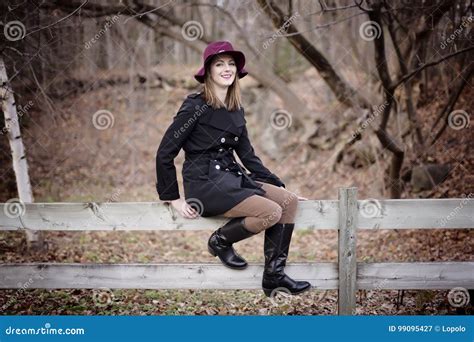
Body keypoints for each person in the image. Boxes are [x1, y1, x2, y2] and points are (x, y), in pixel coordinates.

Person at [155, 41, 311, 297]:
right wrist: (172, 197)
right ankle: (220, 240)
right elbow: (165, 152)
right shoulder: (194, 107)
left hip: (231, 177)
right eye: (219, 64)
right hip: (204, 182)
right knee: (270, 212)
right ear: (208, 71)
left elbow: (248, 156)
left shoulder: (235, 108)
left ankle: (274, 276)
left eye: (231, 64)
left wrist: (278, 185)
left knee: (289, 202)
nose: (227, 68)